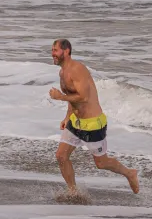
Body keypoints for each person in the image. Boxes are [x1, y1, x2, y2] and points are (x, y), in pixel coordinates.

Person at [48, 39, 140, 195]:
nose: (52, 53)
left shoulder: (78, 70)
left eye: (55, 50)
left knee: (101, 163)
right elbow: (72, 97)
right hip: (75, 122)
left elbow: (83, 97)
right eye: (52, 50)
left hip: (93, 124)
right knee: (61, 156)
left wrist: (60, 97)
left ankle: (130, 173)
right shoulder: (62, 72)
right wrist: (67, 117)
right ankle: (73, 192)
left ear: (67, 51)